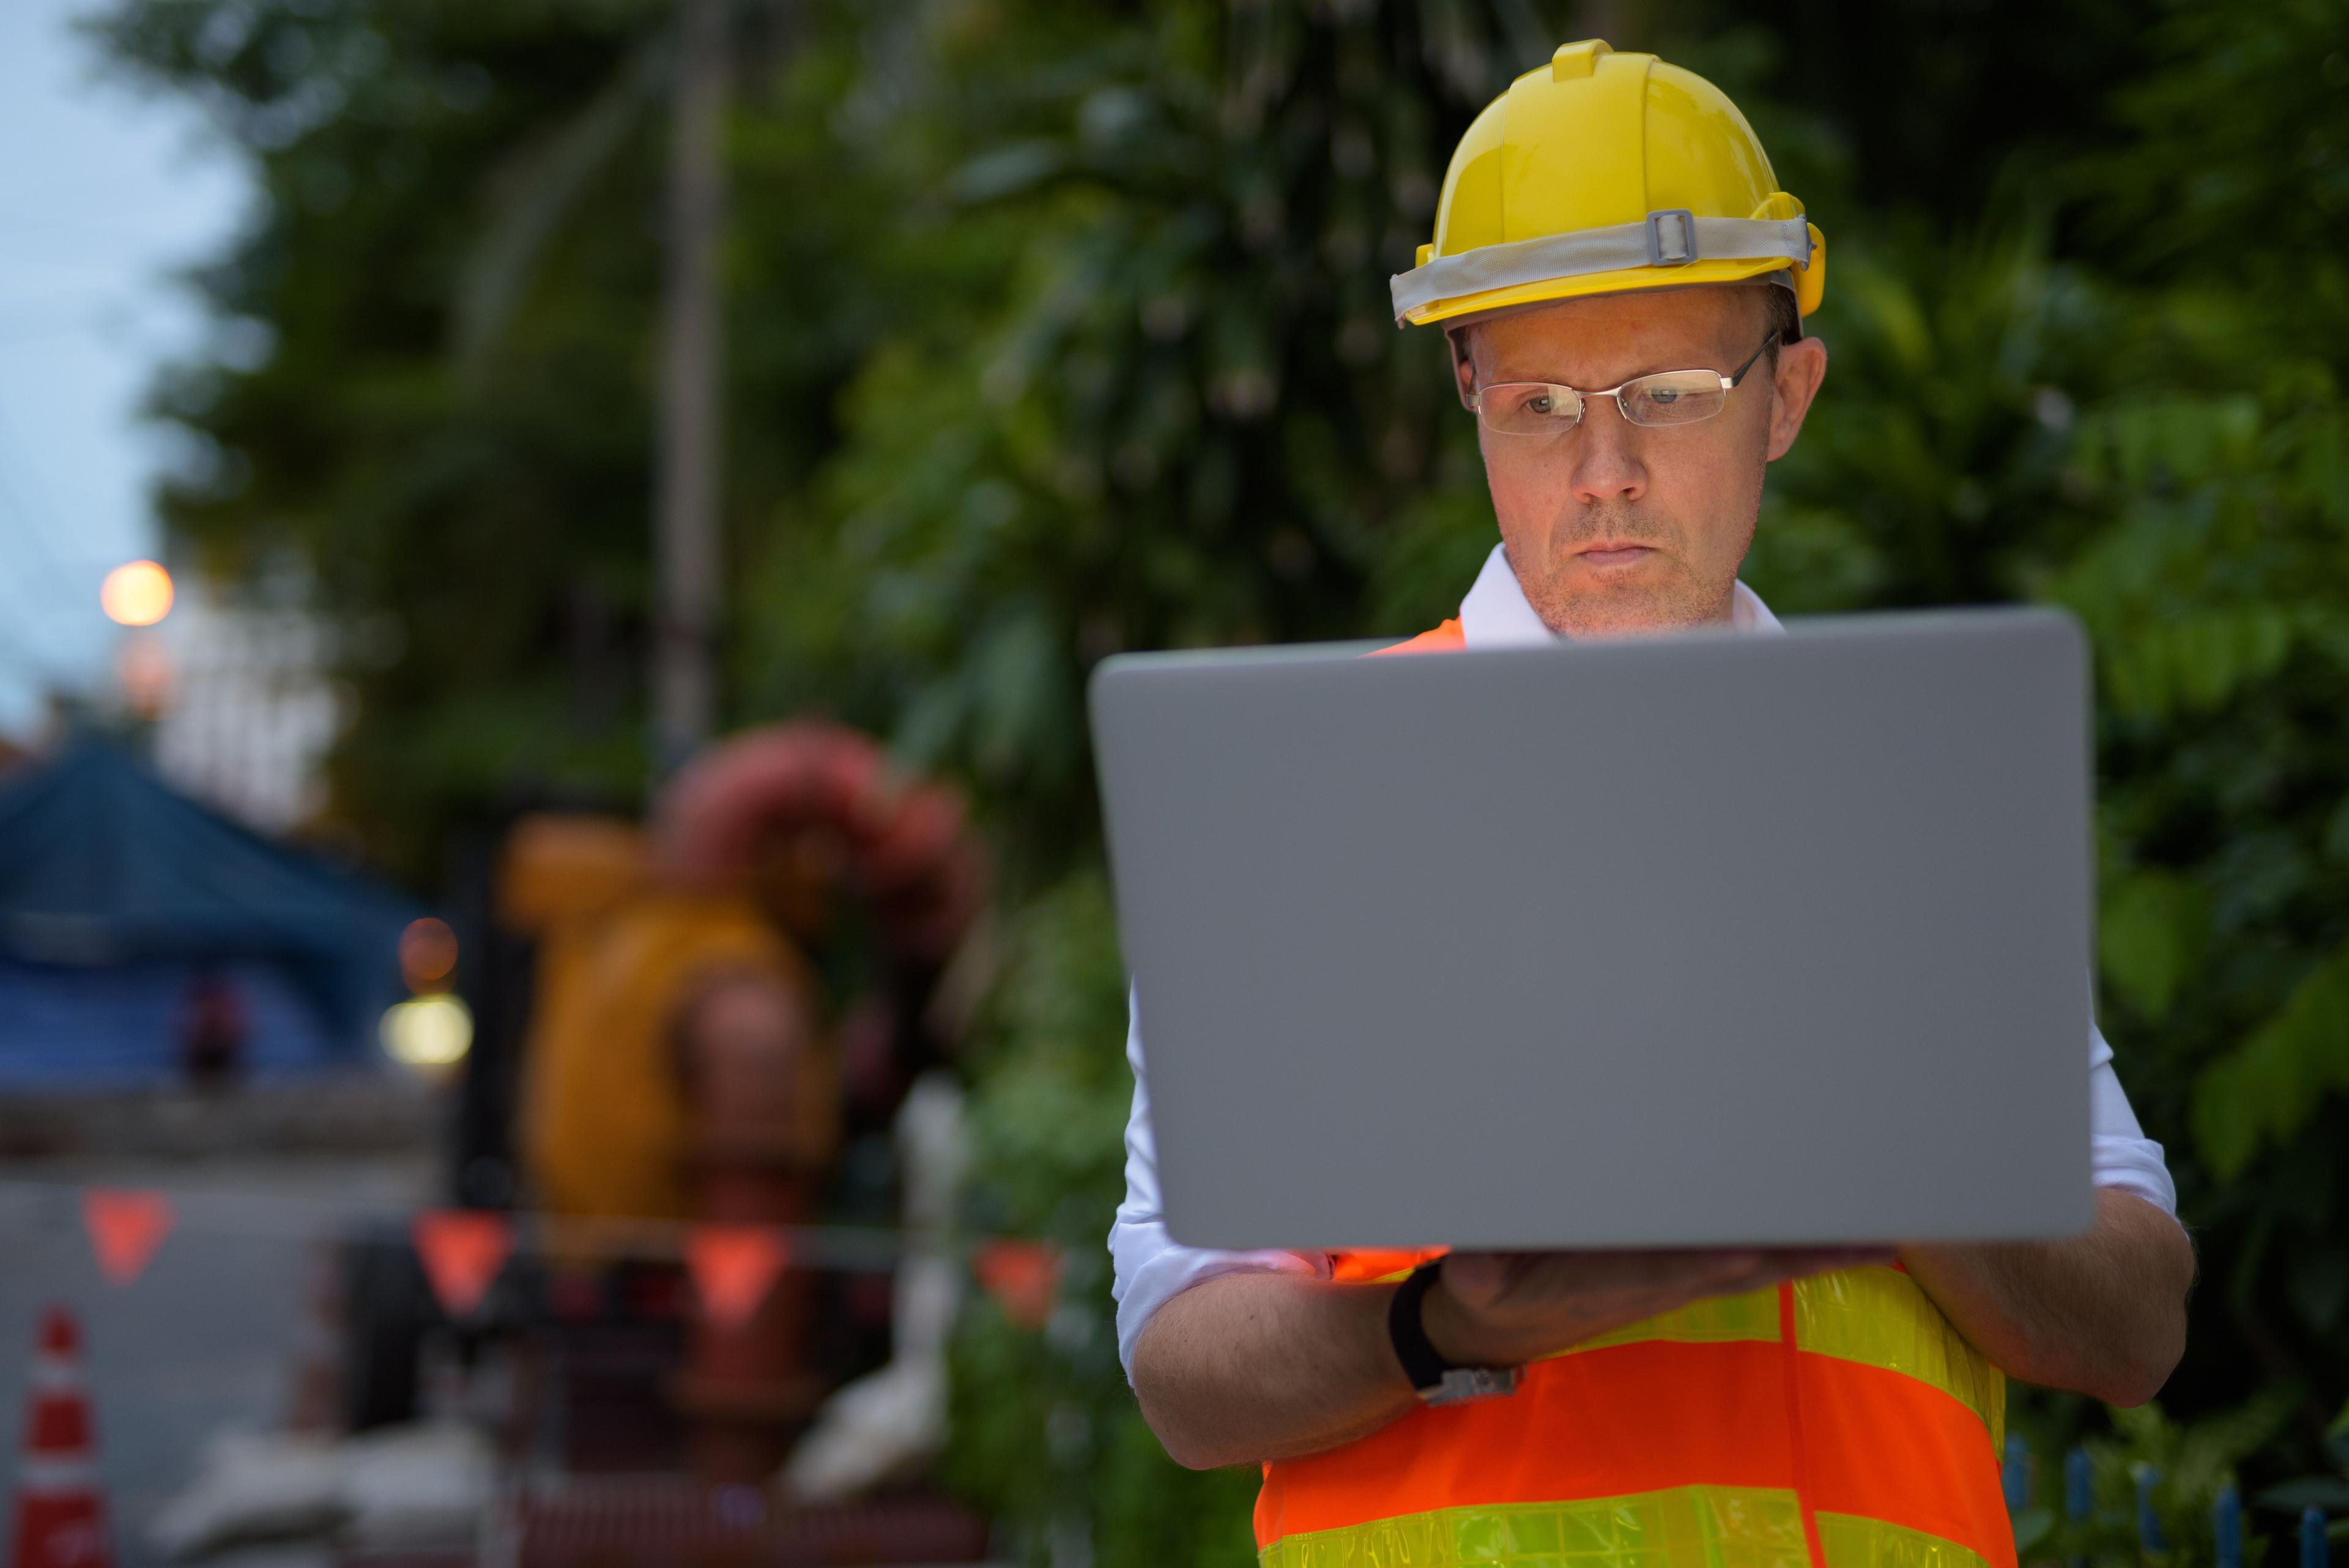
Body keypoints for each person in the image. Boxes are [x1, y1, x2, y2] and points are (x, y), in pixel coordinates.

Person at [1110, 39, 2195, 1568]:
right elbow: (1184, 1371)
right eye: (1542, 403)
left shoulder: (1913, 809)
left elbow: (2136, 1322)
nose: (1604, 469)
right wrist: (1438, 1325)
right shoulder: (1307, 805)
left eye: (1670, 393)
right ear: (1468, 395)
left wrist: (1873, 1126)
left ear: (1789, 396)